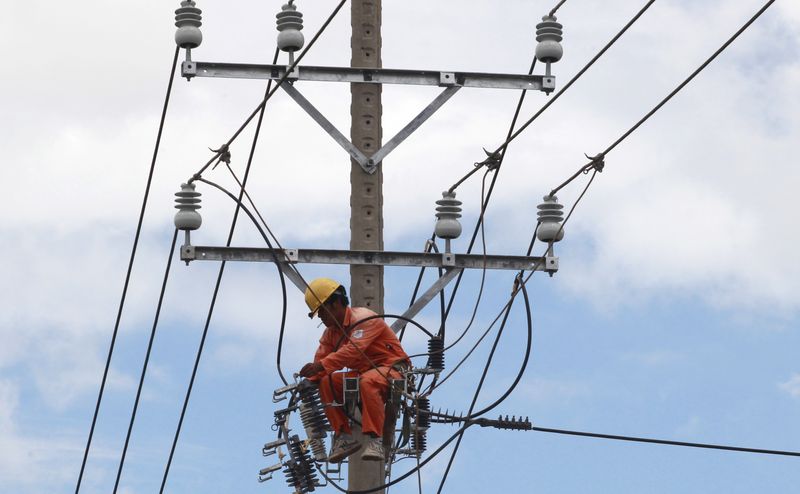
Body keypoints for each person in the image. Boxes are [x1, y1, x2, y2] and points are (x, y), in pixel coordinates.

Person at [298, 277, 410, 463]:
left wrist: (320, 367)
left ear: (336, 303)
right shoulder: (331, 333)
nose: (321, 317)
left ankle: (376, 440)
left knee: (368, 381)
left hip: (391, 368)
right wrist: (311, 380)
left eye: (322, 312)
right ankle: (343, 437)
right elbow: (322, 360)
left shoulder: (364, 319)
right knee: (327, 381)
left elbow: (351, 352)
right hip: (364, 372)